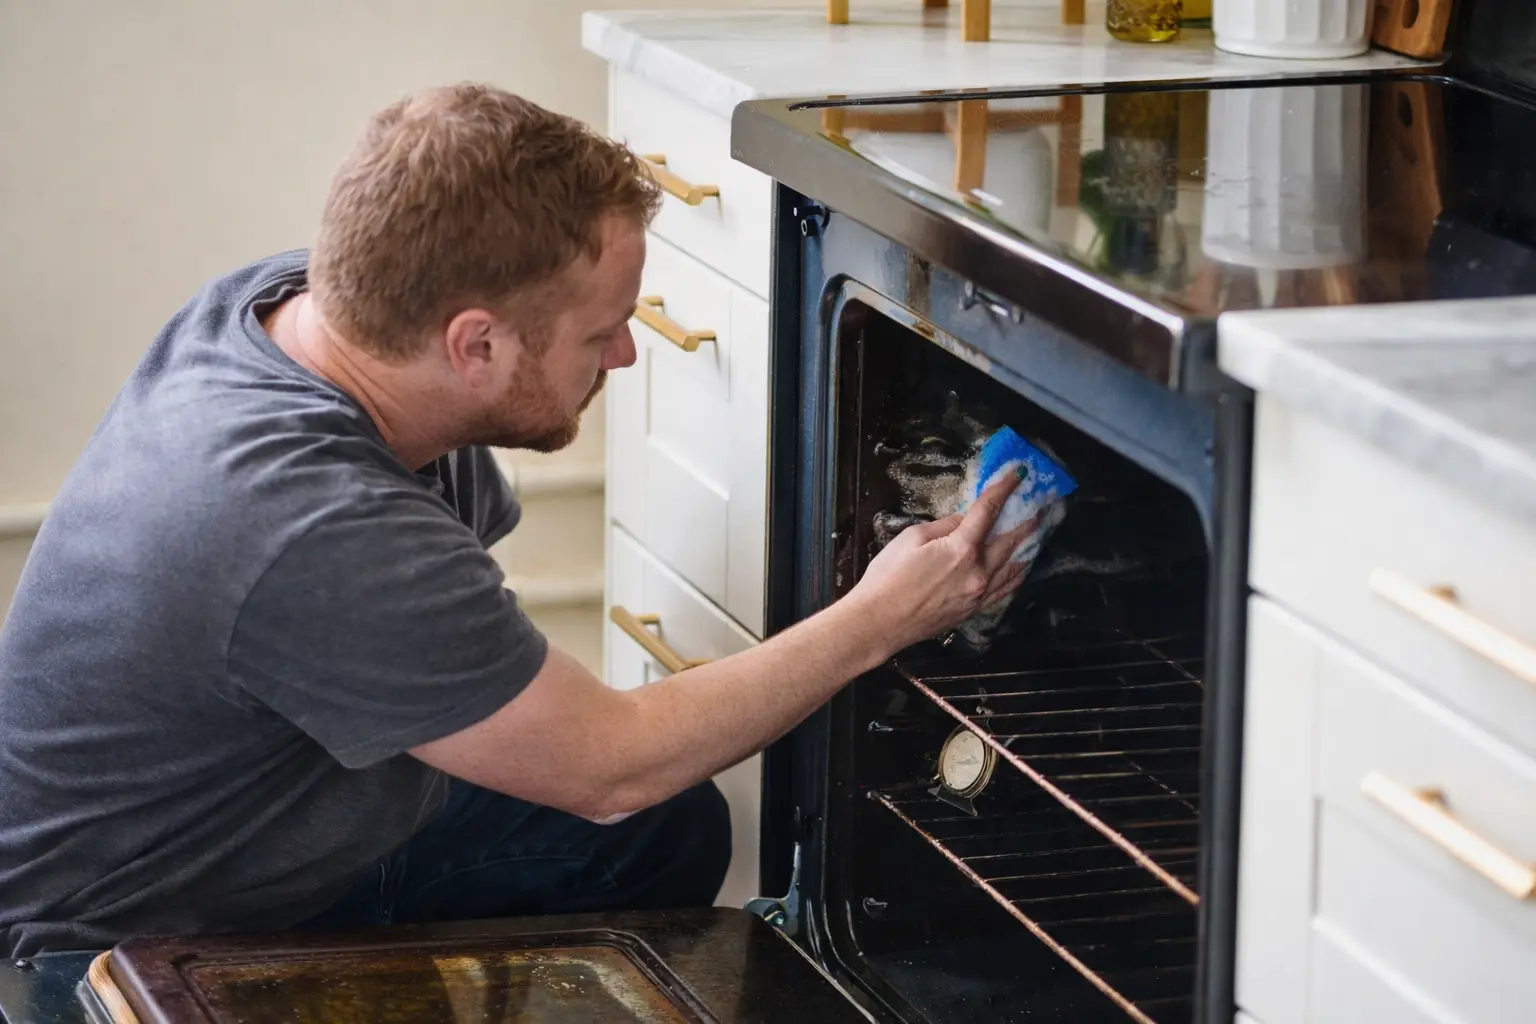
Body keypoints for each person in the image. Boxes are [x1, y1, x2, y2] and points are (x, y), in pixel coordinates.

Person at [0, 84, 1028, 958]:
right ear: (474, 344)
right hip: (124, 944)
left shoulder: (317, 309)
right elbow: (609, 768)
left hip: (275, 827)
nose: (626, 355)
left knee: (669, 832)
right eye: (604, 329)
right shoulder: (308, 523)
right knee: (634, 798)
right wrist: (882, 614)